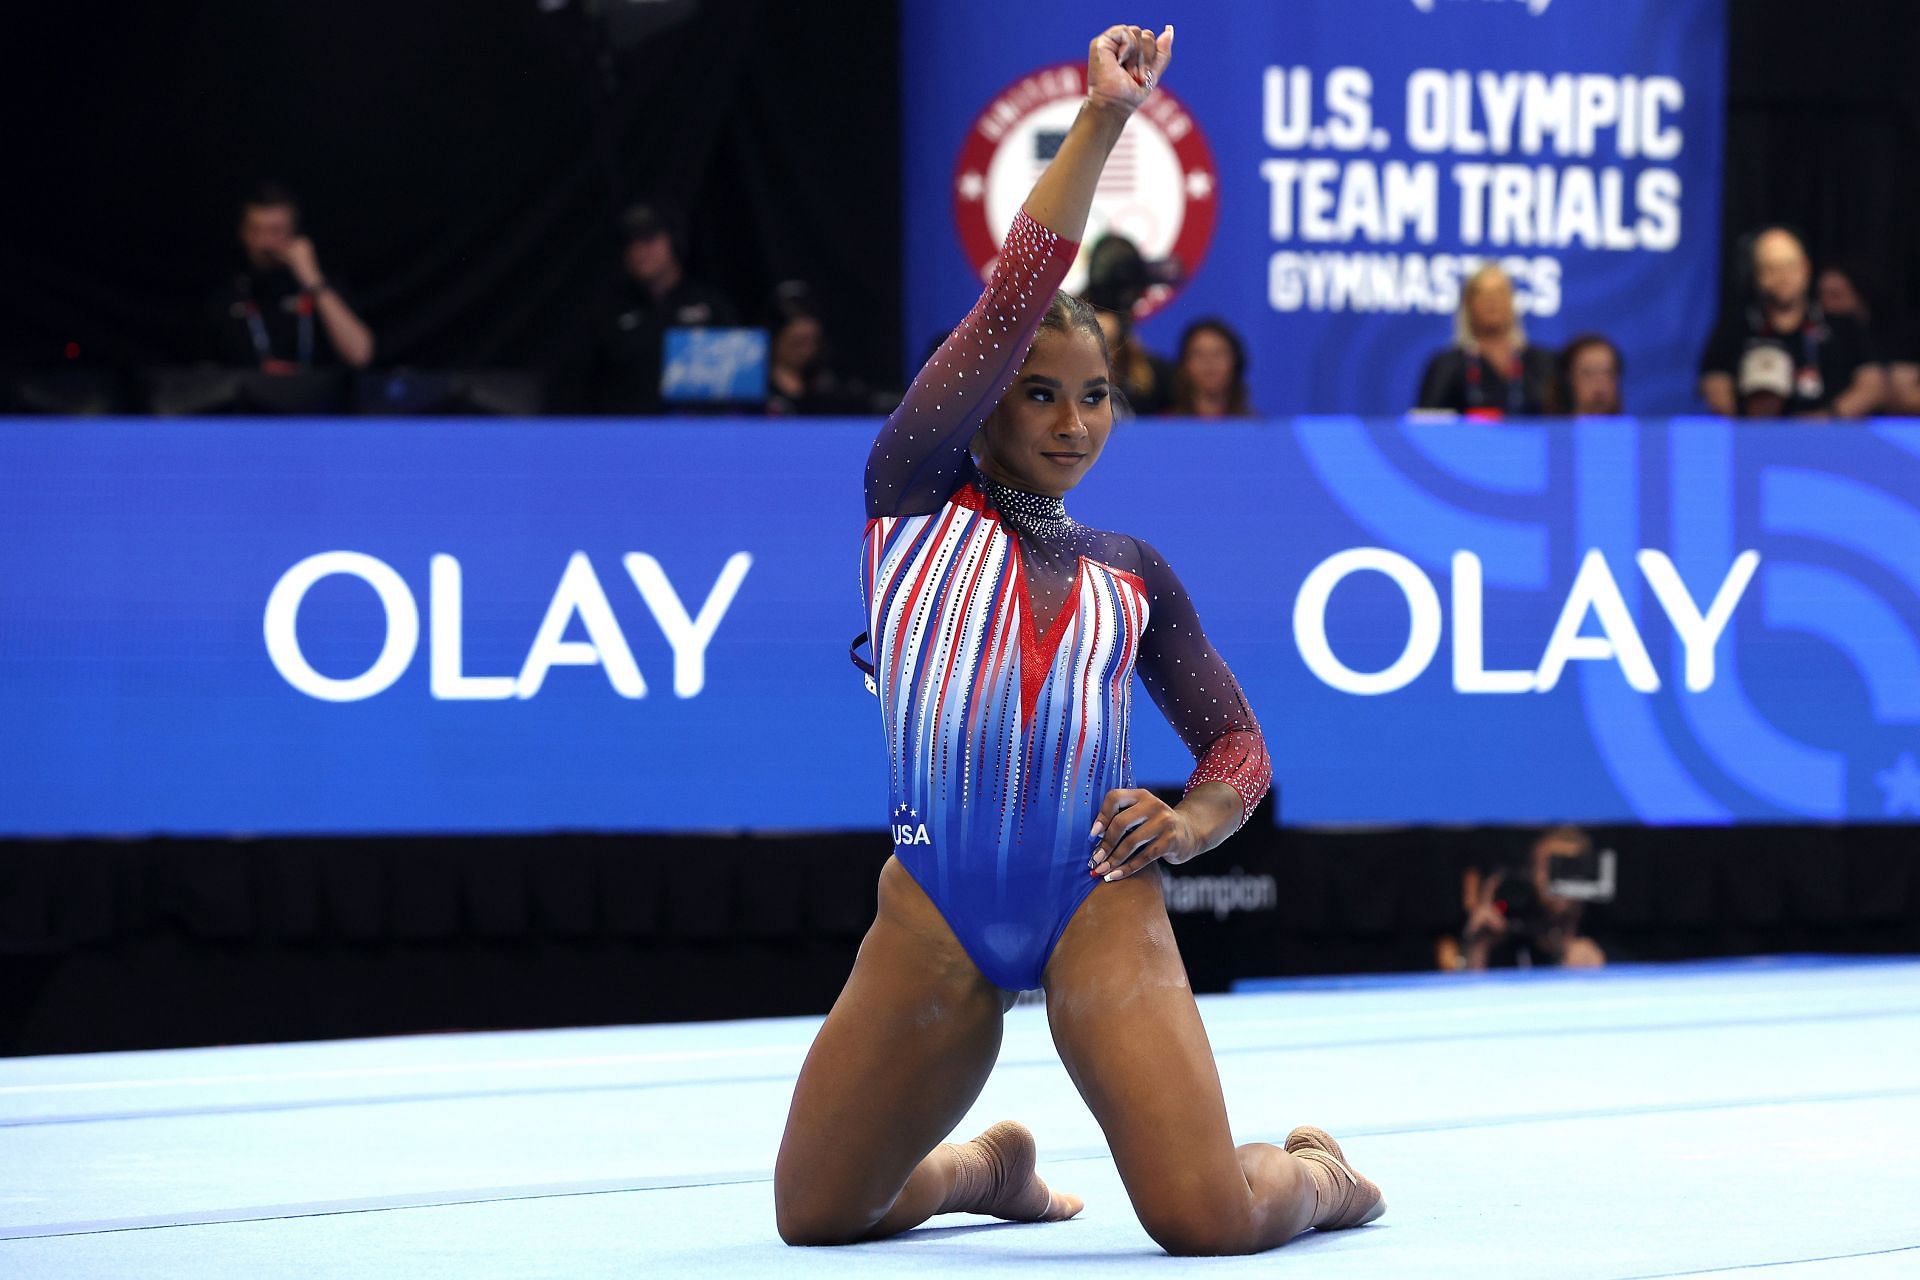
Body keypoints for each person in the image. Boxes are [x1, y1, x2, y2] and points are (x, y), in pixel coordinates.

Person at [775, 24, 1383, 1256]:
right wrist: (1102, 120)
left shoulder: (1130, 571)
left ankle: (1323, 1176)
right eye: (1039, 392)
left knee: (1207, 1217)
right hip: (935, 907)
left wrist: (1192, 822)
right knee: (824, 1215)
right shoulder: (909, 492)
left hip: (1094, 899)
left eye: (1094, 394)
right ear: (984, 398)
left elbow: (1237, 748)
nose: (1070, 420)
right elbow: (1015, 294)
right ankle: (983, 1166)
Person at [1698, 228, 1884, 418]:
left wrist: (1826, 418)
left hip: (1831, 437)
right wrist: (1747, 427)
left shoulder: (1841, 325)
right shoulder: (1736, 328)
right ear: (1757, 274)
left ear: (1806, 268)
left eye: (1789, 266)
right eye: (1772, 268)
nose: (1783, 277)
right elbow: (1714, 382)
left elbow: (1872, 384)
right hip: (1756, 437)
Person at [594, 201, 738, 413]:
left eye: (649, 239)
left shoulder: (711, 306)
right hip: (628, 436)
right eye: (631, 242)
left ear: (673, 241)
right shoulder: (609, 312)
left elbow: (735, 384)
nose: (638, 250)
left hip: (697, 436)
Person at [213, 184, 374, 371]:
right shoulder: (228, 294)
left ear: (295, 234)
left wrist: (312, 279)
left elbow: (360, 355)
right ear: (242, 233)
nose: (264, 242)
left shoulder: (323, 288)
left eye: (275, 231)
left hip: (315, 397)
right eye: (255, 230)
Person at [1458, 825, 1608, 971]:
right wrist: (1479, 947)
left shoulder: (1608, 935)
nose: (1554, 879)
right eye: (1547, 867)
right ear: (1532, 874)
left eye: (1567, 868)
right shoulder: (1512, 936)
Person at [1415, 264, 1556, 418]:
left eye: (1499, 292)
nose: (1492, 300)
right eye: (1482, 293)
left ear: (1512, 301)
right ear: (1468, 305)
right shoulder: (1446, 366)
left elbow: (1563, 421)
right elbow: (1427, 427)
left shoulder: (1543, 363)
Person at [1167, 317, 1253, 417]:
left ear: (1235, 362)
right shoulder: (1163, 426)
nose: (1209, 362)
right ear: (1185, 364)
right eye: (1199, 354)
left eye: (1218, 354)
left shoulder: (1253, 427)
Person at [1558, 334, 1624, 416]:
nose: (1599, 385)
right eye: (1588, 374)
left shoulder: (1635, 427)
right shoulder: (1547, 427)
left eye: (1607, 373)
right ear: (1569, 378)